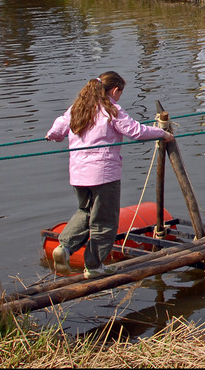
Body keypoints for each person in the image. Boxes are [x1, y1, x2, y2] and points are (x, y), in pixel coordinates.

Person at [45, 72, 173, 278]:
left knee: (85, 212)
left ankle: (65, 247)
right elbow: (136, 131)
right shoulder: (111, 109)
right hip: (103, 175)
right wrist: (162, 133)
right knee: (105, 221)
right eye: (120, 92)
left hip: (78, 174)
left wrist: (52, 135)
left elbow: (59, 128)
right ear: (115, 90)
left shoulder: (77, 107)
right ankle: (94, 266)